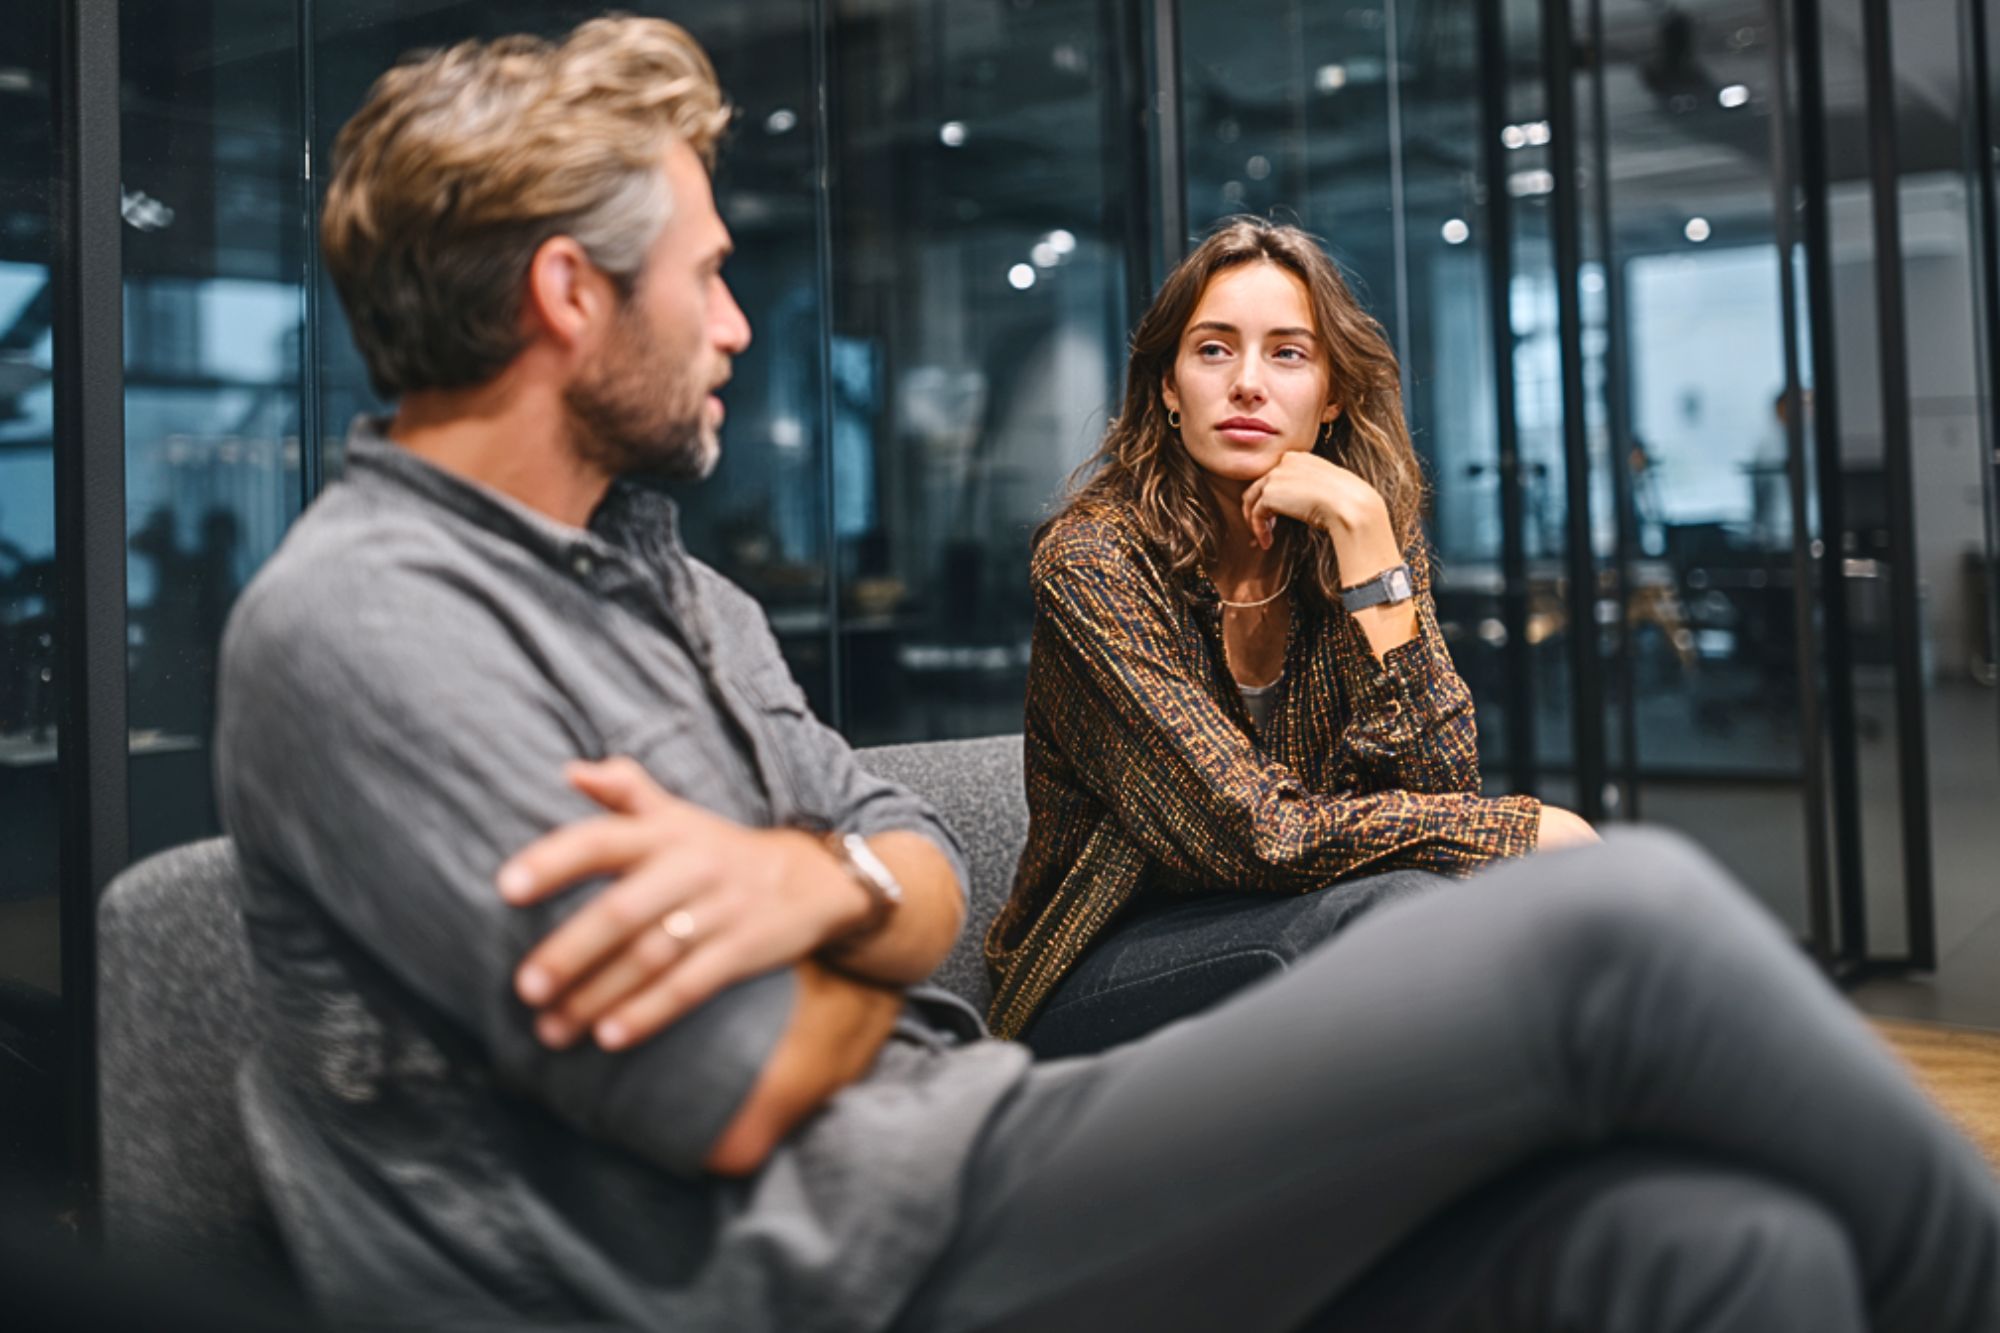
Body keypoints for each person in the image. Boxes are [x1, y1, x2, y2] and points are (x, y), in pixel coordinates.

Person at [215, 18, 2000, 1333]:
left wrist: (815, 881)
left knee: (1721, 1251)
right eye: (709, 275)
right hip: (828, 1251)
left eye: (1284, 354)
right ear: (565, 295)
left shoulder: (672, 587)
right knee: (1620, 927)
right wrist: (864, 909)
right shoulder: (368, 623)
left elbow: (910, 860)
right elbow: (738, 1087)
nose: (743, 322)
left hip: (952, 1134)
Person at [985, 219, 1594, 1051]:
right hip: (1104, 964)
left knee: (1432, 913)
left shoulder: (1354, 534)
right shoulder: (1094, 562)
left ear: (1333, 393)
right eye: (1212, 350)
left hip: (1308, 915)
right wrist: (1513, 830)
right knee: (1401, 911)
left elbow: (1435, 780)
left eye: (1288, 353)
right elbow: (1256, 834)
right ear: (1167, 385)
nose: (1246, 384)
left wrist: (1370, 540)